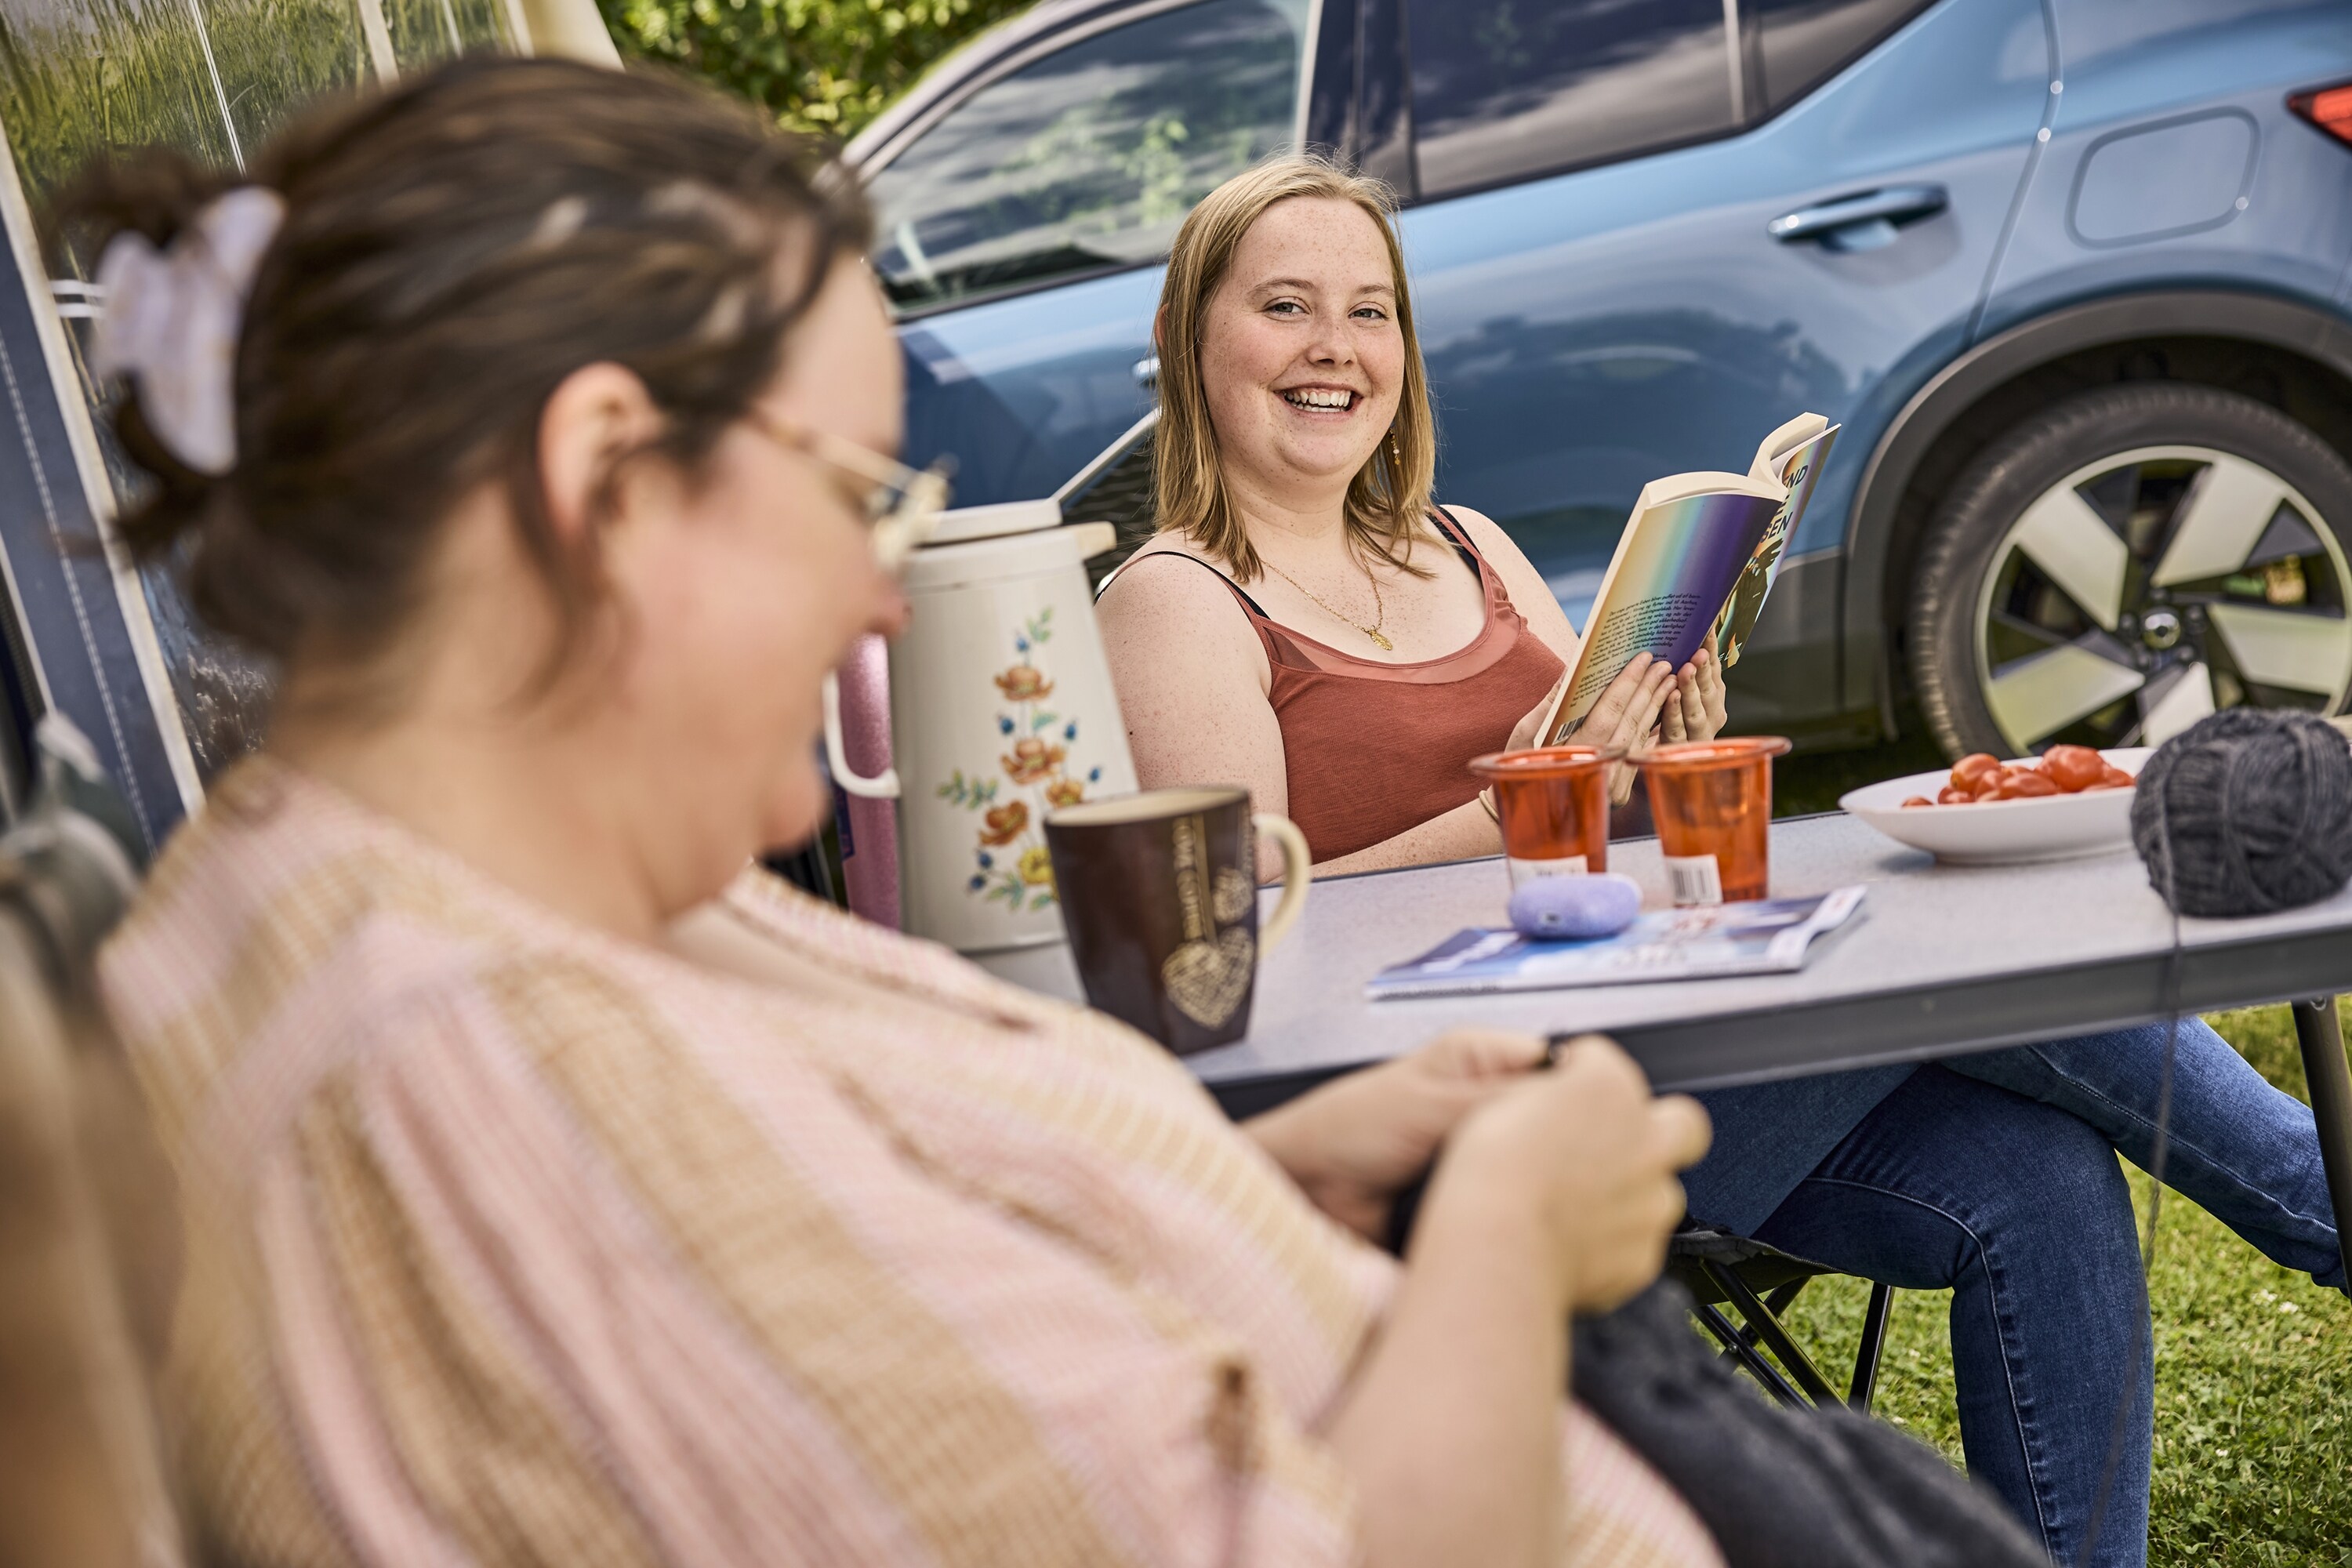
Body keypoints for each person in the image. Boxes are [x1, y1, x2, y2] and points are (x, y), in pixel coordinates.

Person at [79, 60, 1729, 1568]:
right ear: (607, 485)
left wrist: (1261, 1181)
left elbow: (865, 1319)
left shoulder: (498, 896)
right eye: (855, 494)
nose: (881, 597)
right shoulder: (496, 1072)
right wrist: (1509, 1236)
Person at [1096, 153, 2347, 1568]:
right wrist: (1521, 806)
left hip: (1673, 1022)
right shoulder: (1177, 600)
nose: (1336, 348)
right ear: (1194, 342)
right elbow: (1235, 924)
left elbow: (1599, 784)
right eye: (1285, 306)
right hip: (1486, 1107)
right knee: (1976, 960)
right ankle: (2325, 1201)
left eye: (1370, 312)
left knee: (2042, 1175)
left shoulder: (1473, 546)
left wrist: (1669, 729)